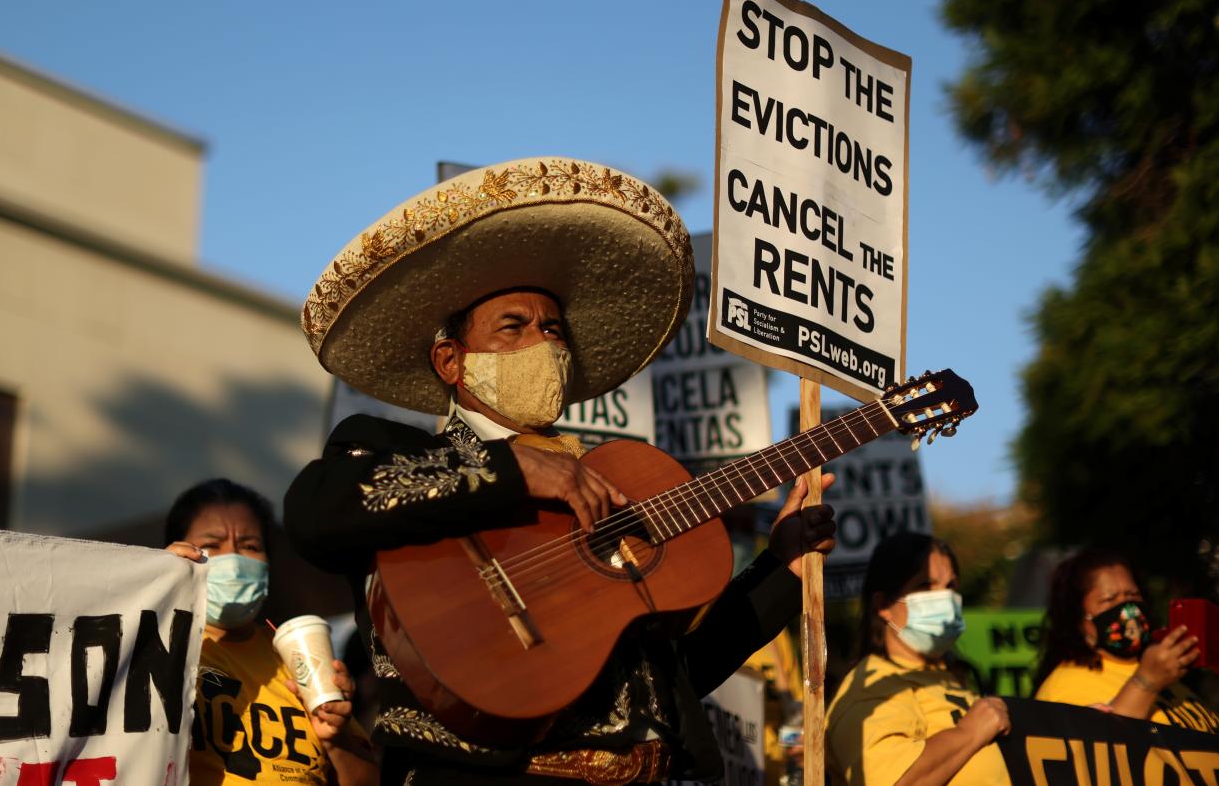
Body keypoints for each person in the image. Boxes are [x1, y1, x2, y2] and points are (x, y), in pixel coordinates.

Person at [284, 157, 838, 784]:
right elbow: (314, 510)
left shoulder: (609, 485)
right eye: (512, 328)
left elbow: (674, 680)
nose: (542, 345)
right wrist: (511, 471)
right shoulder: (386, 447)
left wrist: (781, 571)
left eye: (552, 328)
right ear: (449, 360)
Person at [164, 478, 379, 785]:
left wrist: (337, 738)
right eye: (212, 545)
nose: (235, 561)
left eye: (250, 546)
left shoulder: (298, 657)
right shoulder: (155, 646)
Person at [825, 531, 1010, 786]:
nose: (944, 598)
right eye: (925, 585)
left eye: (950, 586)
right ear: (884, 605)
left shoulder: (950, 677)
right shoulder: (870, 687)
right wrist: (969, 733)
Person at [1033, 548, 1219, 733]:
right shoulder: (1066, 688)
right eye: (1109, 600)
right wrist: (1147, 682)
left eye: (1132, 595)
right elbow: (1101, 749)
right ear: (1079, 619)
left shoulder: (1160, 671)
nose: (1128, 609)